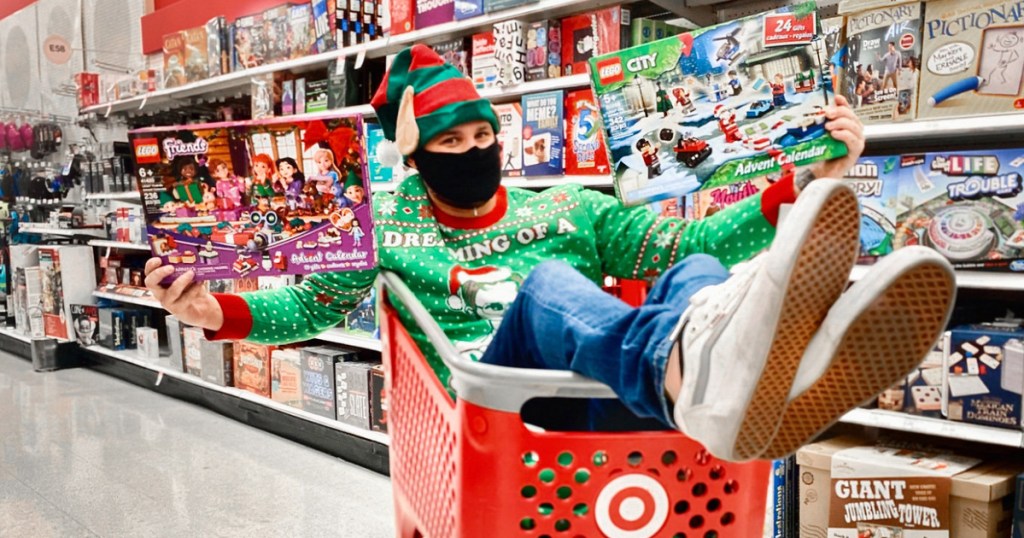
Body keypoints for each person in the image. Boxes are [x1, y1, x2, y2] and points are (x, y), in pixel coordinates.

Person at [145, 45, 954, 462]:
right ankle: (721, 367)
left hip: (617, 395)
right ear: (417, 154)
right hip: (491, 414)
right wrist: (211, 307)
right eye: (451, 141)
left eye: (484, 134)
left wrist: (803, 179)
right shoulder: (386, 225)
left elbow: (693, 239)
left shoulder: (567, 203)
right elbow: (309, 306)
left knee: (699, 273)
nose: (474, 149)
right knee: (549, 284)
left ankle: (726, 373)